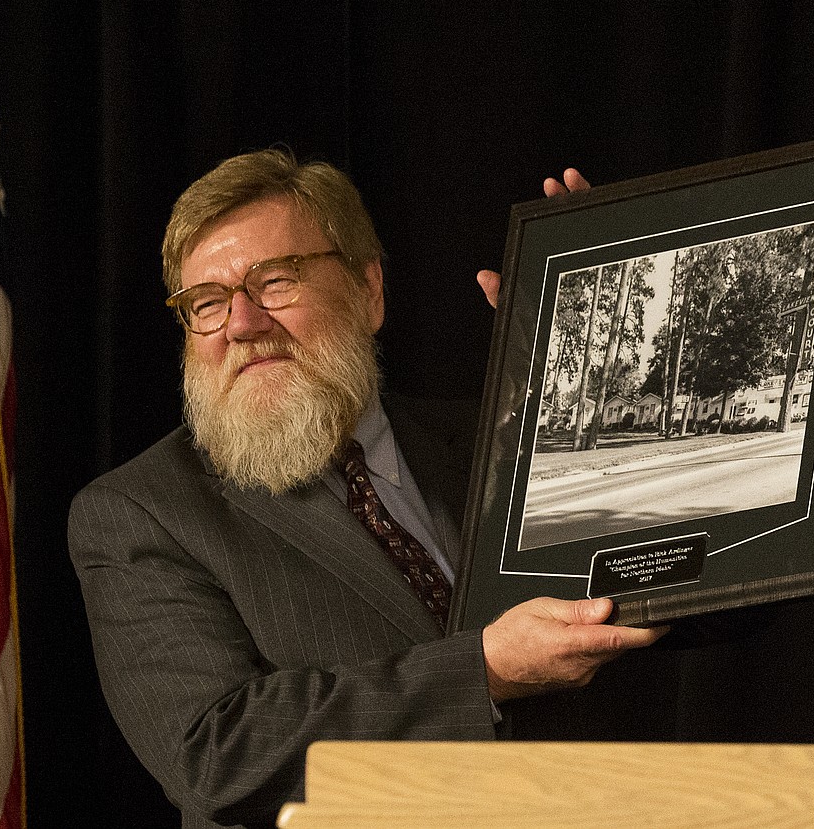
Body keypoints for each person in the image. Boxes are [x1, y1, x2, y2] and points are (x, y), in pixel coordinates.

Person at [68, 149, 668, 829]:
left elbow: (705, 590)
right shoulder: (142, 512)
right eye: (207, 303)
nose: (241, 323)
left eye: (275, 282)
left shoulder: (496, 440)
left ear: (368, 290)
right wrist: (484, 669)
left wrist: (598, 375)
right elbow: (219, 753)